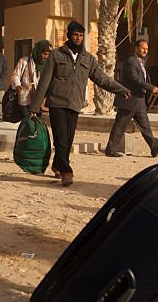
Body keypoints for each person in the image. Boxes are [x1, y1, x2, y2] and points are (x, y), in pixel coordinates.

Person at [28, 20, 130, 186]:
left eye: (81, 35)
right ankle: (66, 171)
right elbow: (44, 81)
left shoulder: (88, 59)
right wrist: (34, 107)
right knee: (61, 139)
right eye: (75, 34)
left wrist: (121, 89)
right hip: (57, 103)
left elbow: (102, 79)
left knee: (68, 140)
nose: (78, 38)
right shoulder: (57, 54)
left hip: (75, 104)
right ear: (69, 35)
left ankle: (57, 165)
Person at [105, 39, 158, 159]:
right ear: (136, 48)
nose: (145, 51)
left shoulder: (142, 63)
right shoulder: (131, 62)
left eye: (147, 49)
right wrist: (151, 88)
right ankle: (111, 149)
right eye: (143, 48)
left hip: (140, 101)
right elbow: (135, 79)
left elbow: (143, 79)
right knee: (120, 125)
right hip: (129, 100)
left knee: (145, 126)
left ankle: (154, 148)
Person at [13, 39, 52, 111]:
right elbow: (16, 75)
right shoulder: (24, 61)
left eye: (48, 55)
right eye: (44, 54)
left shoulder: (48, 65)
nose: (46, 57)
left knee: (36, 121)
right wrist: (18, 85)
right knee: (27, 120)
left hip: (39, 100)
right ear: (38, 52)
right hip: (25, 97)